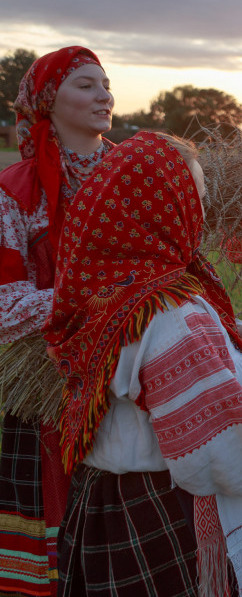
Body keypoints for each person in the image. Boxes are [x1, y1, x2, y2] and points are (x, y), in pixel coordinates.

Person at [42, 131, 242, 596]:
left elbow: (159, 369)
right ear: (159, 211)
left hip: (103, 503)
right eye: (194, 198)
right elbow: (221, 451)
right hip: (160, 515)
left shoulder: (110, 288)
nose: (201, 213)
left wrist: (231, 337)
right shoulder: (169, 312)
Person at [0, 46, 116, 597]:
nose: (105, 96)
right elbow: (5, 305)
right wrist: (92, 298)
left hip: (133, 367)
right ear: (48, 102)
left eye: (106, 85)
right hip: (50, 380)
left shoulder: (134, 174)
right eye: (86, 85)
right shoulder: (15, 191)